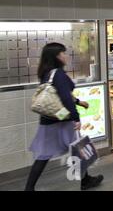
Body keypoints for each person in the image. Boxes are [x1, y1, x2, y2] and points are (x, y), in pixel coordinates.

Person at [25, 43, 103, 191]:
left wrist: (80, 102)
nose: (66, 56)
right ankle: (85, 181)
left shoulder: (46, 73)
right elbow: (66, 98)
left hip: (49, 120)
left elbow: (57, 96)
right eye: (63, 53)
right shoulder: (58, 74)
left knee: (44, 155)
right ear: (57, 57)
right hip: (64, 121)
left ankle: (29, 188)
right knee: (79, 149)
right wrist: (76, 118)